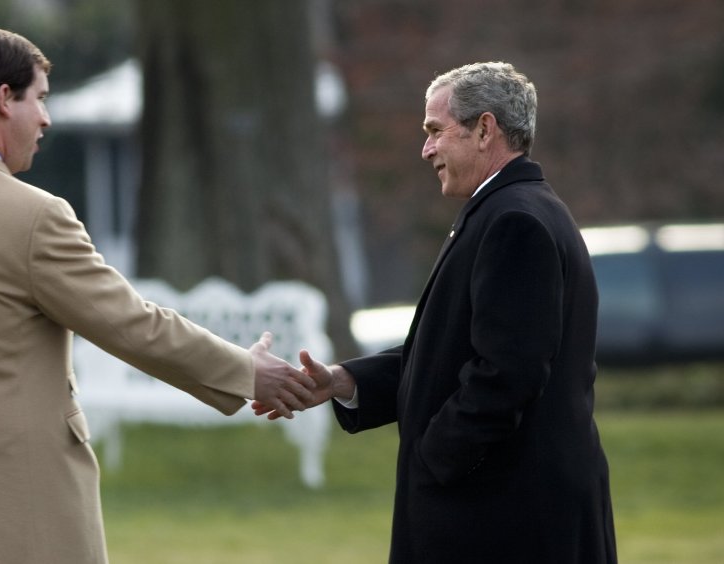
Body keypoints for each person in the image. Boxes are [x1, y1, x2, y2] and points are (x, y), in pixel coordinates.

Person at [0, 27, 315, 564]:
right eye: (39, 98)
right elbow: (132, 324)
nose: (46, 119)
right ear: (3, 99)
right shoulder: (32, 215)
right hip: (25, 515)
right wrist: (246, 370)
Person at [256, 62, 617, 563]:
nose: (426, 150)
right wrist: (342, 381)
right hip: (503, 512)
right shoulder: (507, 210)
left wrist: (436, 456)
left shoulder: (515, 222)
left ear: (485, 129)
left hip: (504, 521)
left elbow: (507, 373)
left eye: (435, 131)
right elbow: (447, 353)